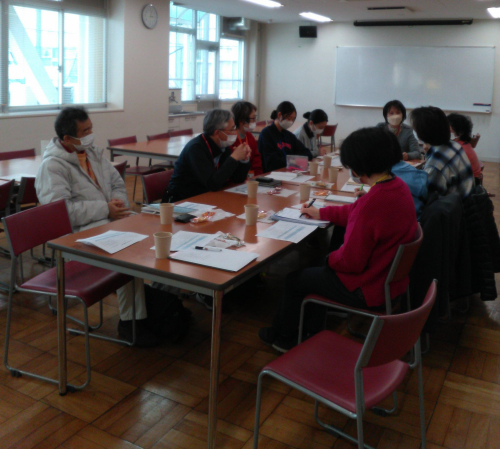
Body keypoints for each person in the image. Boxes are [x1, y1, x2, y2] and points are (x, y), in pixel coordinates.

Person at [259, 127, 418, 353]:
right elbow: (355, 211)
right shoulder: (396, 186)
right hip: (388, 281)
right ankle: (311, 329)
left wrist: (329, 259)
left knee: (297, 279)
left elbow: (351, 262)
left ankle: (284, 337)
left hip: (368, 287)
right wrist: (321, 213)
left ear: (360, 166)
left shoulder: (372, 203)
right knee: (317, 269)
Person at [35, 107, 158, 347]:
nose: (91, 134)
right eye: (85, 131)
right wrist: (105, 209)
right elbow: (61, 213)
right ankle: (131, 323)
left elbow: (116, 182)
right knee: (128, 255)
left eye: (91, 128)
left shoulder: (91, 152)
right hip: (78, 235)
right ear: (67, 138)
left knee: (149, 233)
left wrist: (118, 203)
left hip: (107, 221)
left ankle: (150, 308)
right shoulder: (52, 166)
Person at [166, 109, 251, 202]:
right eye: (231, 129)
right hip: (182, 200)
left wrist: (243, 159)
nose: (235, 133)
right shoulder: (196, 149)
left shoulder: (223, 145)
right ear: (217, 133)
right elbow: (212, 184)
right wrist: (233, 158)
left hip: (207, 197)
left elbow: (237, 179)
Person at [411, 106, 474, 199]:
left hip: (456, 206)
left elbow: (428, 200)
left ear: (422, 132)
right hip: (469, 201)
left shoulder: (435, 166)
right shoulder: (455, 145)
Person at [257, 101, 312, 173]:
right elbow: (271, 162)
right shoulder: (266, 134)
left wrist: (292, 160)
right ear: (279, 115)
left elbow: (307, 153)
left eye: (293, 119)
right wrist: (294, 160)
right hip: (272, 174)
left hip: (289, 172)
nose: (291, 122)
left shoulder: (289, 135)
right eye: (289, 118)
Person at [230, 101, 263, 177]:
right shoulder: (231, 139)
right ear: (242, 121)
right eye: (253, 118)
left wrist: (258, 178)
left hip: (252, 179)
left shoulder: (250, 136)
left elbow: (257, 163)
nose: (255, 121)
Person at [447, 113, 482, 181]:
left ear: (459, 132)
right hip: (469, 179)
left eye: (448, 127)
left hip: (469, 181)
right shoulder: (463, 144)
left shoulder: (458, 148)